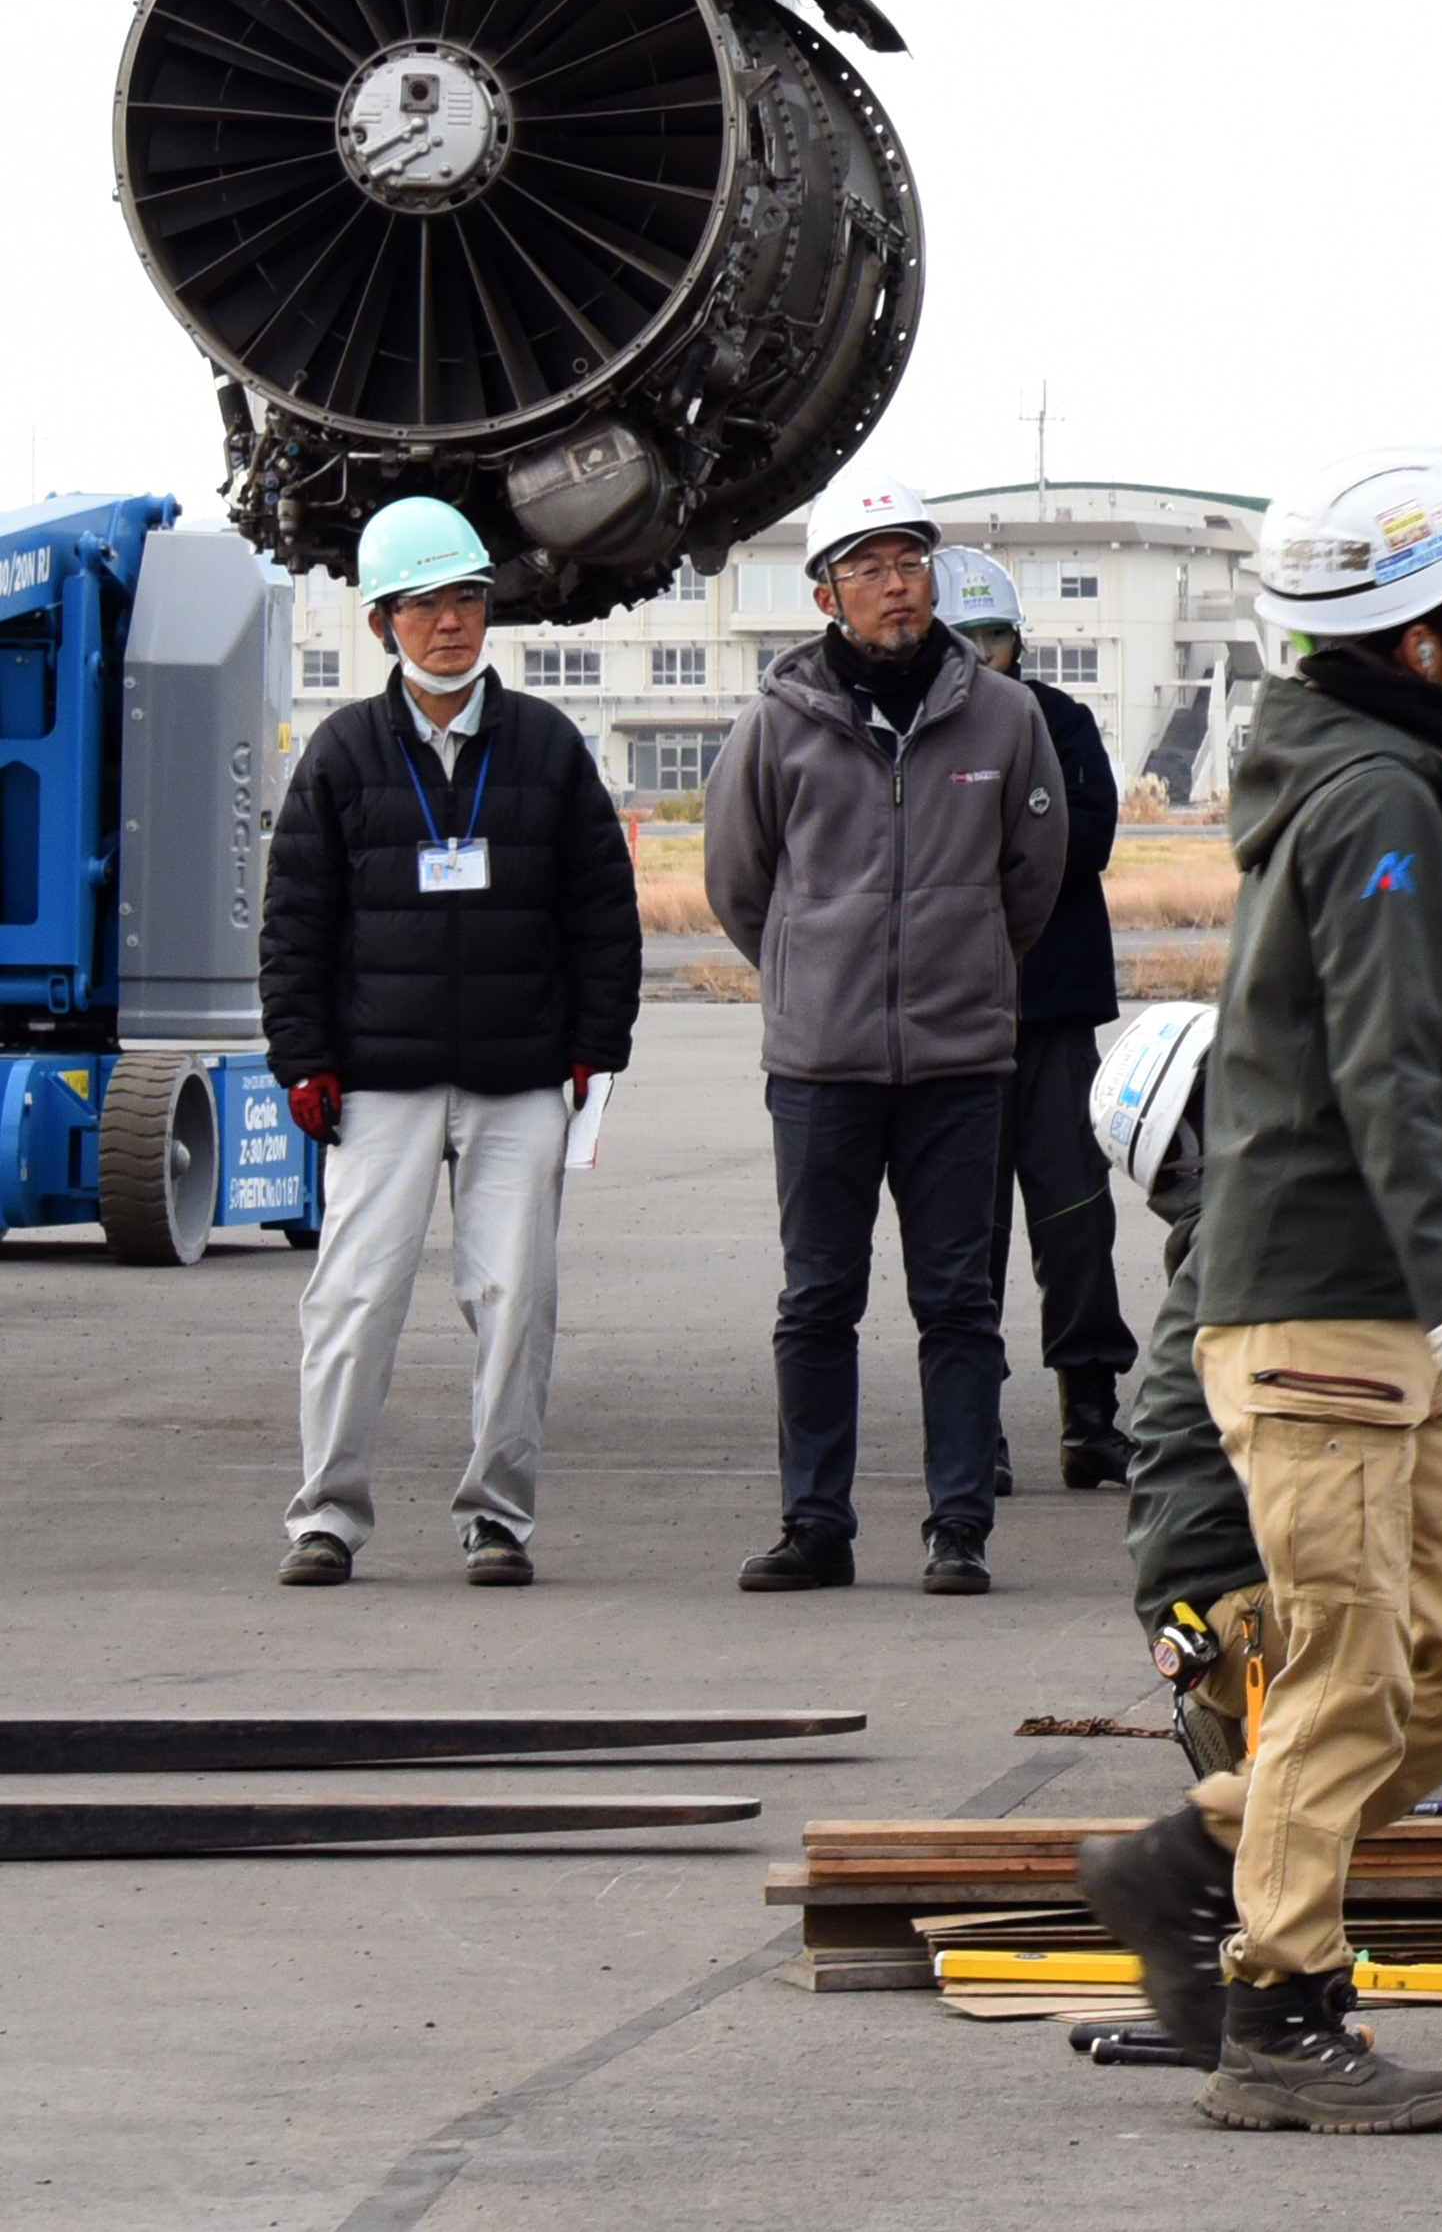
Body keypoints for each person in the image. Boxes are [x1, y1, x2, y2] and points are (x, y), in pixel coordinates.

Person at [1075, 455, 1442, 2136]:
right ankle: (1282, 2013)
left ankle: (1199, 1845)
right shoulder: (1376, 807)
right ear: (1414, 636)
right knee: (1348, 1660)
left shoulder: (1383, 780)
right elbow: (1381, 1058)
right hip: (1330, 1304)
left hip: (1376, 1318)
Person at [1059, 999, 1442, 2071]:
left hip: (1276, 1555)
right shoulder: (1271, 1250)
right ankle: (1230, 1866)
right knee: (1426, 1671)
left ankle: (1221, 1843)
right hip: (1247, 1601)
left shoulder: (1279, 1228)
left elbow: (1400, 1440)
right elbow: (1361, 1450)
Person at [255, 496, 640, 1590]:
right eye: (423, 604)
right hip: (378, 1077)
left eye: (467, 597)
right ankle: (325, 1513)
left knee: (517, 1299)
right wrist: (305, 1058)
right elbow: (296, 922)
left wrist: (593, 1046)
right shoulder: (339, 755)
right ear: (382, 622)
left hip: (520, 1073)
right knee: (352, 1296)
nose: (450, 622)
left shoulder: (550, 748)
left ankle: (497, 1516)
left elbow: (600, 909)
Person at [707, 475, 1071, 1595]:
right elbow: (739, 881)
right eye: (867, 567)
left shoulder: (1004, 718)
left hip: (961, 1063)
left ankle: (958, 1523)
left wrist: (960, 969)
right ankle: (815, 1521)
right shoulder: (778, 724)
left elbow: (1031, 877)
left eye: (909, 560)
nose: (895, 584)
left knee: (958, 1302)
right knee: (817, 1298)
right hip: (820, 1066)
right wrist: (815, 970)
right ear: (827, 592)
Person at [938, 546, 1140, 1488]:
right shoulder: (917, 732)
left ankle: (1089, 1417)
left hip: (1053, 1014)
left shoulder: (1063, 720)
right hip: (953, 1020)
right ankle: (975, 1427)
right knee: (964, 1236)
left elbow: (1087, 836)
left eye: (996, 637)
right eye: (964, 640)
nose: (983, 657)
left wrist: (982, 845)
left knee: (1075, 1218)